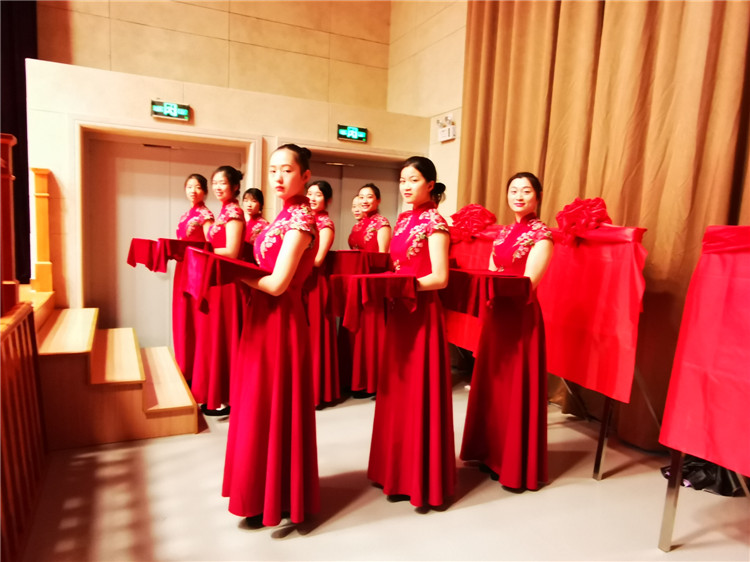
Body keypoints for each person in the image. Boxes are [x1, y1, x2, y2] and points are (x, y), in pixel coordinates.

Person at [223, 144, 320, 527]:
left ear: (305, 176)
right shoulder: (280, 219)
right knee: (255, 405)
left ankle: (278, 497)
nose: (278, 177)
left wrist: (234, 271)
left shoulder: (302, 222)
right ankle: (258, 493)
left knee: (272, 405)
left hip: (281, 321)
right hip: (260, 317)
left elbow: (278, 284)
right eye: (273, 169)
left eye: (287, 170)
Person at [367, 156, 455, 508]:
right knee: (397, 390)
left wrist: (402, 286)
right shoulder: (403, 220)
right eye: (402, 180)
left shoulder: (436, 222)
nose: (406, 186)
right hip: (400, 312)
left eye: (413, 180)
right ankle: (394, 470)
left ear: (430, 185)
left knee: (418, 391)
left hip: (422, 315)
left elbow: (440, 277)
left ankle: (420, 479)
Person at [460, 171, 553, 491]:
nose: (519, 196)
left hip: (520, 318)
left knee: (514, 389)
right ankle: (489, 452)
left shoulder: (542, 235)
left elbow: (528, 283)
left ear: (538, 197)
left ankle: (512, 462)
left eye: (526, 191)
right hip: (497, 315)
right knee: (493, 386)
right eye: (514, 190)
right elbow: (492, 272)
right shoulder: (503, 234)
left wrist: (494, 287)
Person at [191, 165, 245, 416]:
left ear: (235, 186)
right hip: (216, 282)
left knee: (224, 339)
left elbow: (232, 252)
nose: (217, 187)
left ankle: (228, 397)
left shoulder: (234, 212)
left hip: (228, 284)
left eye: (223, 183)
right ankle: (217, 393)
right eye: (214, 183)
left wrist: (202, 252)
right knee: (214, 340)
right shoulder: (222, 212)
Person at [173, 173, 214, 383]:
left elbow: (210, 245)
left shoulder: (206, 215)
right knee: (183, 316)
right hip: (182, 267)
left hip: (197, 268)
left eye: (197, 187)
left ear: (204, 191)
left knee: (195, 318)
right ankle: (184, 365)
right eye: (189, 186)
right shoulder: (185, 215)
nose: (193, 191)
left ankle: (197, 372)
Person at [349, 183, 391, 252]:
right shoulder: (356, 226)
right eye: (361, 197)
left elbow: (383, 254)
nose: (364, 201)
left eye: (369, 197)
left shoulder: (381, 223)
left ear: (378, 200)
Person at [241, 188, 268, 263]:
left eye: (254, 201)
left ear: (260, 204)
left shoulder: (264, 226)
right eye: (246, 201)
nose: (249, 205)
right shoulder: (243, 223)